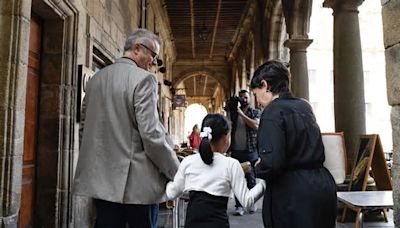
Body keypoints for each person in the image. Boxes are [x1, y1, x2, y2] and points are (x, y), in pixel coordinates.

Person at [73, 28, 180, 228]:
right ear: (137, 49)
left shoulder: (96, 79)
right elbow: (151, 136)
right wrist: (175, 171)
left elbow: (85, 129)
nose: (154, 63)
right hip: (137, 187)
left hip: (102, 184)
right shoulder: (143, 79)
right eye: (153, 55)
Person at [250, 59, 337, 228]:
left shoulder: (272, 112)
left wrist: (258, 166)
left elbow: (272, 164)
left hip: (293, 194)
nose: (257, 102)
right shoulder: (304, 106)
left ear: (265, 85)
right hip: (322, 186)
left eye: (256, 94)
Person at [165, 113, 266, 228]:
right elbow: (247, 203)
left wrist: (164, 181)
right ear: (226, 137)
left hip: (192, 223)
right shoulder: (232, 165)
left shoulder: (188, 162)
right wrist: (264, 183)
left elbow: (171, 193)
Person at [228, 90, 261, 216]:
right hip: (236, 151)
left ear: (250, 98)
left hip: (250, 151)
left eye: (246, 97)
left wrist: (241, 114)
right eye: (241, 98)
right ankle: (239, 206)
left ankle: (251, 202)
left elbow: (256, 125)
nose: (244, 100)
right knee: (237, 179)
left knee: (251, 180)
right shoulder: (234, 113)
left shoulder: (254, 112)